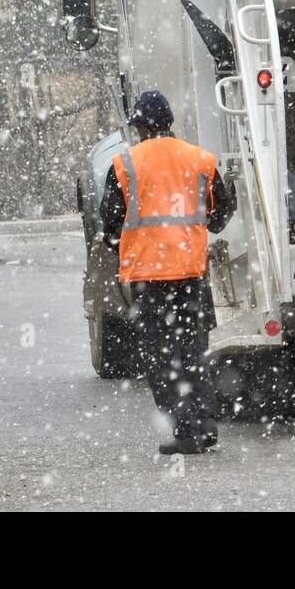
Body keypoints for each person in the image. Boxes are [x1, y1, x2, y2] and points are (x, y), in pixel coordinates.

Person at [101, 89, 236, 455]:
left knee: (161, 359)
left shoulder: (125, 164)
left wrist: (125, 247)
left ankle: (186, 431)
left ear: (140, 126)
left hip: (149, 278)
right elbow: (222, 213)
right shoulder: (200, 160)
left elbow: (110, 222)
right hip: (191, 275)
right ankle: (206, 426)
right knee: (194, 352)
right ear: (170, 122)